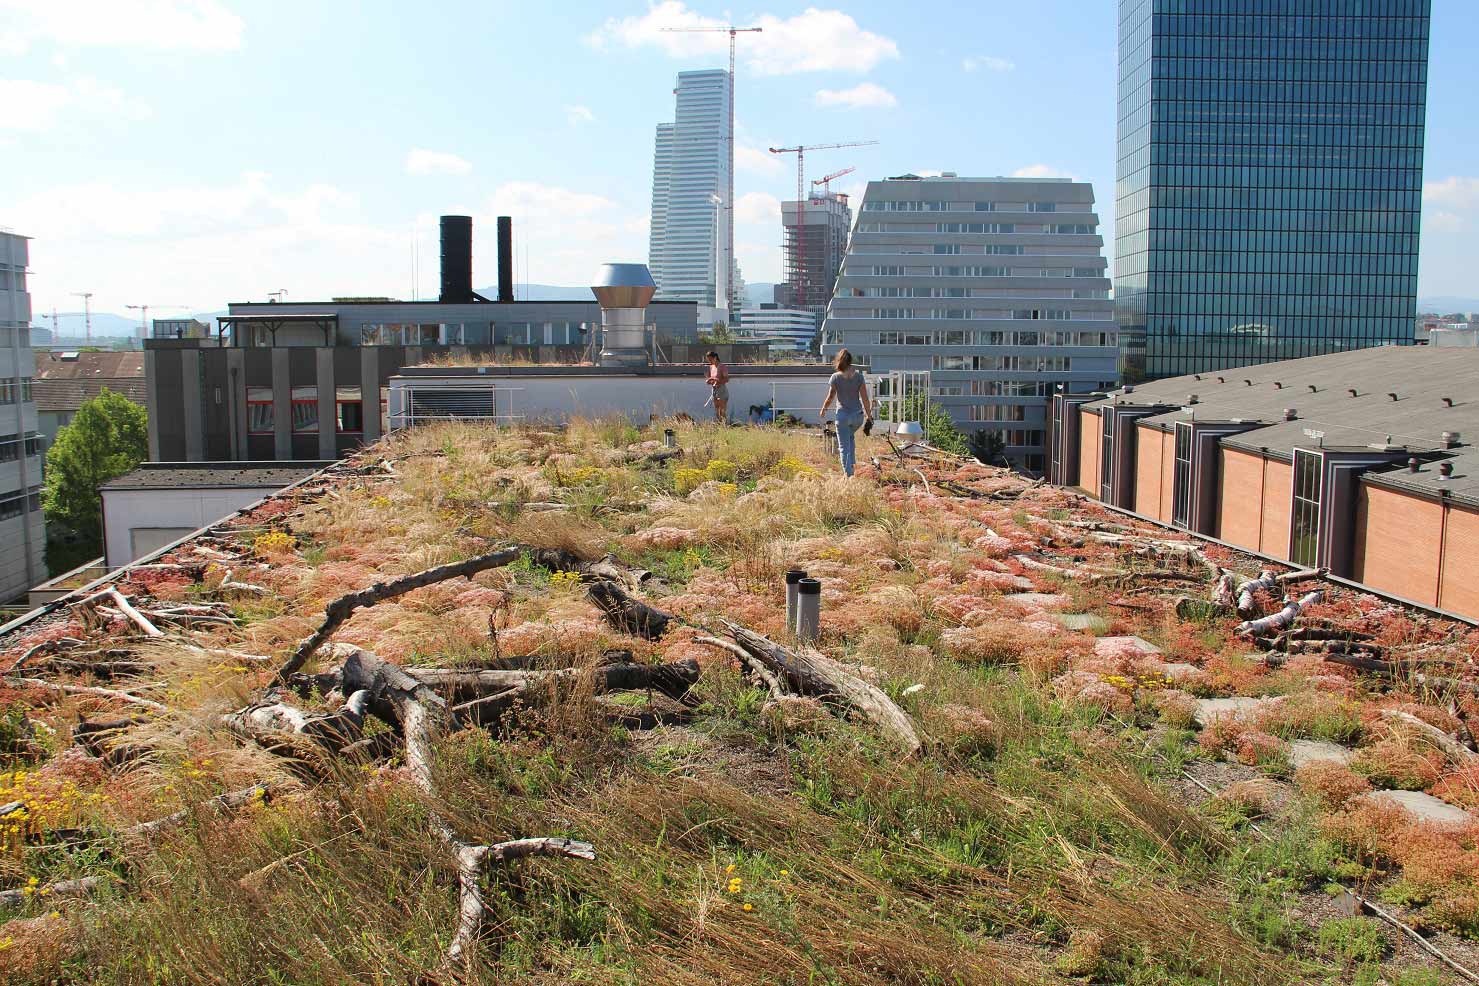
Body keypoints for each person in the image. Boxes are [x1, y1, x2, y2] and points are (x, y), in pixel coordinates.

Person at [819, 348, 872, 476]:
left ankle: (848, 475)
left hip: (842, 416)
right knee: (850, 436)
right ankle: (852, 464)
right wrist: (869, 415)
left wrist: (823, 410)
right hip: (857, 417)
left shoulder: (835, 377)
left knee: (843, 447)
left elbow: (830, 397)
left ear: (839, 360)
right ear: (851, 361)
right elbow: (865, 398)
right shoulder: (859, 377)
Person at [704, 351, 730, 423]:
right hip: (714, 390)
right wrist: (709, 381)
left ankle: (725, 426)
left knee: (722, 410)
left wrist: (717, 381)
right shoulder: (711, 367)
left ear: (715, 358)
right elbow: (709, 378)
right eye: (708, 360)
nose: (709, 361)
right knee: (717, 409)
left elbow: (726, 379)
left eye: (710, 359)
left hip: (722, 390)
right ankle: (719, 425)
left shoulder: (722, 366)